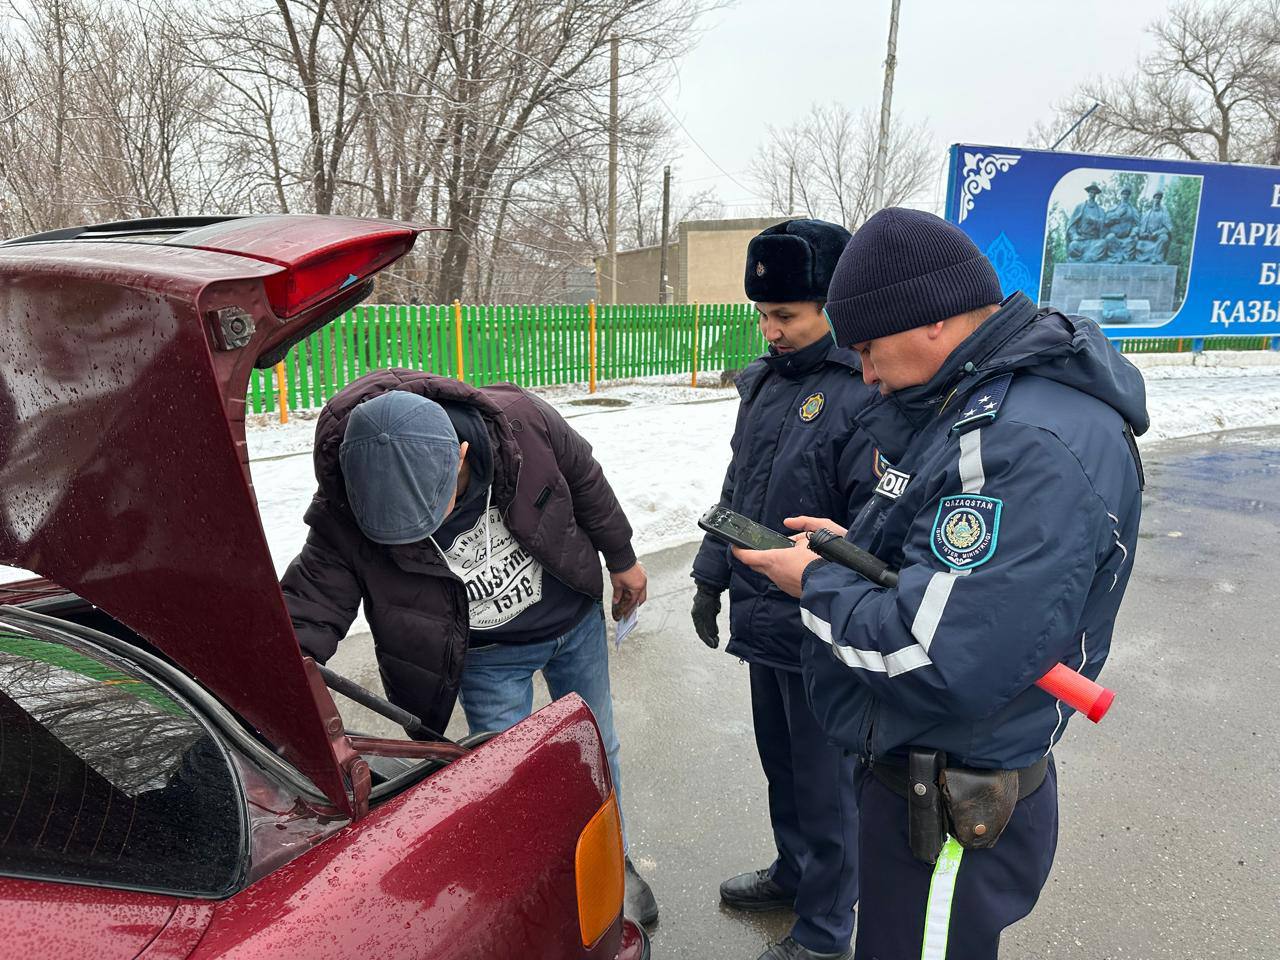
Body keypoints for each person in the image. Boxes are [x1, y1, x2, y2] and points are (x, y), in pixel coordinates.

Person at [734, 208, 1147, 959]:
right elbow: (943, 571)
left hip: (953, 797)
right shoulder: (979, 401)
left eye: (868, 347)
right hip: (928, 773)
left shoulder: (1018, 440)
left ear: (931, 320)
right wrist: (849, 550)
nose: (864, 372)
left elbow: (938, 655)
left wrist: (814, 583)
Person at [280, 369, 658, 925]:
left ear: (460, 454)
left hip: (572, 622)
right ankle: (545, 879)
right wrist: (267, 685)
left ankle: (611, 855)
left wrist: (622, 559)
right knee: (512, 780)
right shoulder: (349, 502)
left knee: (599, 746)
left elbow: (585, 479)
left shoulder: (521, 424)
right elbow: (308, 607)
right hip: (488, 659)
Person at [691, 219, 880, 960]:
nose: (770, 331)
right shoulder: (765, 384)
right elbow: (737, 488)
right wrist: (710, 575)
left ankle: (828, 931)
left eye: (786, 316)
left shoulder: (863, 388)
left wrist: (838, 593)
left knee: (828, 785)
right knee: (784, 765)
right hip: (763, 616)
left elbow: (875, 525)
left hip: (825, 622)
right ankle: (795, 873)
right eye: (762, 315)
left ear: (832, 307)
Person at [1135, 190, 1173, 263]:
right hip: (1148, 238)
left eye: (1159, 198)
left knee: (1164, 238)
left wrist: (1157, 233)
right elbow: (1141, 231)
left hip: (1158, 238)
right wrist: (1145, 234)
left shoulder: (1164, 213)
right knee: (1139, 243)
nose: (1157, 200)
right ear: (1153, 199)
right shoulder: (1147, 214)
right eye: (1156, 198)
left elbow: (1169, 228)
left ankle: (1155, 257)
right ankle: (1143, 258)